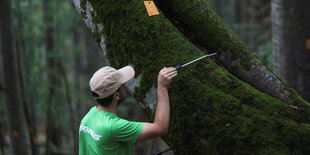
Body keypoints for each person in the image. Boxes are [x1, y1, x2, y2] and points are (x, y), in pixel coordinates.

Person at [79, 66, 177, 154]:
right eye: (122, 84)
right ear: (116, 95)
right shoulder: (114, 127)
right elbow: (160, 128)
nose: (125, 85)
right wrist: (162, 87)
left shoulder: (87, 119)